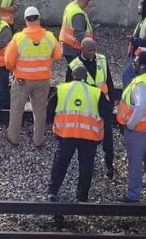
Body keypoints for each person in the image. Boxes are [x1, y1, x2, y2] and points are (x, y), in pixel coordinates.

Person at [46, 65, 111, 202]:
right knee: (86, 166)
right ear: (86, 77)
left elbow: (49, 111)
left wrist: (53, 124)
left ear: (72, 76)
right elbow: (107, 113)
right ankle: (82, 196)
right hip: (89, 136)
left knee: (60, 163)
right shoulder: (96, 92)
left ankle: (52, 191)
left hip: (66, 134)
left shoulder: (61, 89)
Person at [4, 6, 62, 147]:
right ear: (39, 19)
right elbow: (58, 54)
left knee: (17, 110)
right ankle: (38, 140)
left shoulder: (19, 38)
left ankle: (13, 138)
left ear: (25, 20)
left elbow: (8, 61)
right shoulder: (49, 37)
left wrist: (15, 69)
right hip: (42, 80)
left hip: (22, 80)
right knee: (40, 111)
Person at [116, 52, 146, 202]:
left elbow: (141, 107)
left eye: (136, 62)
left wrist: (131, 125)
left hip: (139, 129)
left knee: (135, 161)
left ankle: (133, 194)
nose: (134, 64)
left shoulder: (139, 84)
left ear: (143, 66)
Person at [69, 38, 115, 178]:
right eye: (90, 50)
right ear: (81, 49)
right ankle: (88, 166)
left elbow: (109, 82)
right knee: (89, 141)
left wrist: (111, 102)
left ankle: (109, 164)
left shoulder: (101, 59)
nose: (93, 53)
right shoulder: (74, 65)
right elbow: (69, 88)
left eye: (94, 49)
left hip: (103, 107)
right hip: (86, 110)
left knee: (108, 139)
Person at [122, 0, 146, 87]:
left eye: (140, 5)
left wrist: (133, 39)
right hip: (140, 56)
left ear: (145, 8)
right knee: (135, 79)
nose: (138, 7)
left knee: (127, 77)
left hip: (143, 57)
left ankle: (129, 98)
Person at [59, 0, 94, 73]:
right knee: (78, 72)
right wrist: (89, 49)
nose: (88, 2)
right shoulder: (78, 14)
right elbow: (80, 36)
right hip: (74, 48)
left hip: (67, 46)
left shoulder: (71, 6)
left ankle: (69, 85)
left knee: (72, 70)